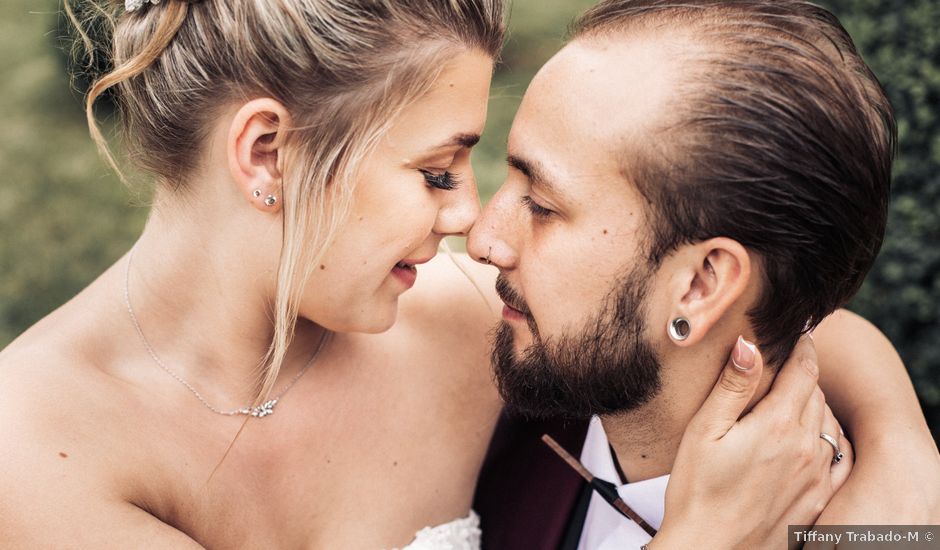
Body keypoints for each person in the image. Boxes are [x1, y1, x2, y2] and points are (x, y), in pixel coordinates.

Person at [0, 0, 934, 548]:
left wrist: (901, 454)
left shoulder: (443, 324)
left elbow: (747, 316)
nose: (471, 227)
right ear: (268, 152)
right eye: (438, 172)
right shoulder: (35, 453)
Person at [468, 1, 940, 548]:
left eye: (543, 206)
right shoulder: (490, 403)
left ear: (701, 285)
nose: (482, 239)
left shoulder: (881, 527)